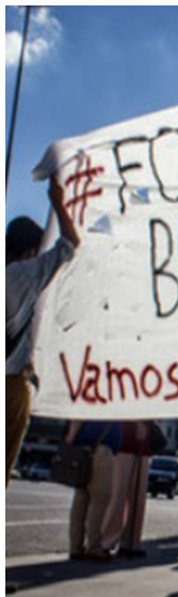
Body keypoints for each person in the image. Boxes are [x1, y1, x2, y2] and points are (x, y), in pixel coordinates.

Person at [7, 180, 80, 488]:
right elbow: (69, 244)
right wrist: (57, 202)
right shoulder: (23, 275)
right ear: (31, 250)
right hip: (11, 385)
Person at [65, 421, 122, 562]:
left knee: (81, 499)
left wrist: (71, 437)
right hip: (102, 448)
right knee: (100, 499)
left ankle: (75, 547)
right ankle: (93, 547)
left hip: (84, 448)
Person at [100, 421, 153, 558]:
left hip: (143, 443)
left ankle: (131, 543)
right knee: (118, 495)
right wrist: (137, 422)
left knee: (138, 498)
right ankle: (106, 541)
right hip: (124, 440)